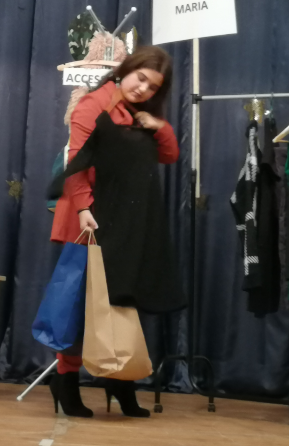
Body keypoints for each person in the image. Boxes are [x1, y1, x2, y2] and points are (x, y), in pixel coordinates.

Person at [49, 46, 180, 418]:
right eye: (141, 78)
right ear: (127, 69)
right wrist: (84, 209)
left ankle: (119, 381)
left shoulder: (138, 113)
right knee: (79, 308)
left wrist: (161, 127)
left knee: (122, 302)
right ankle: (65, 381)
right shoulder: (93, 105)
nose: (143, 89)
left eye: (152, 87)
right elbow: (76, 163)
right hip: (87, 220)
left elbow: (169, 155)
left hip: (122, 223)